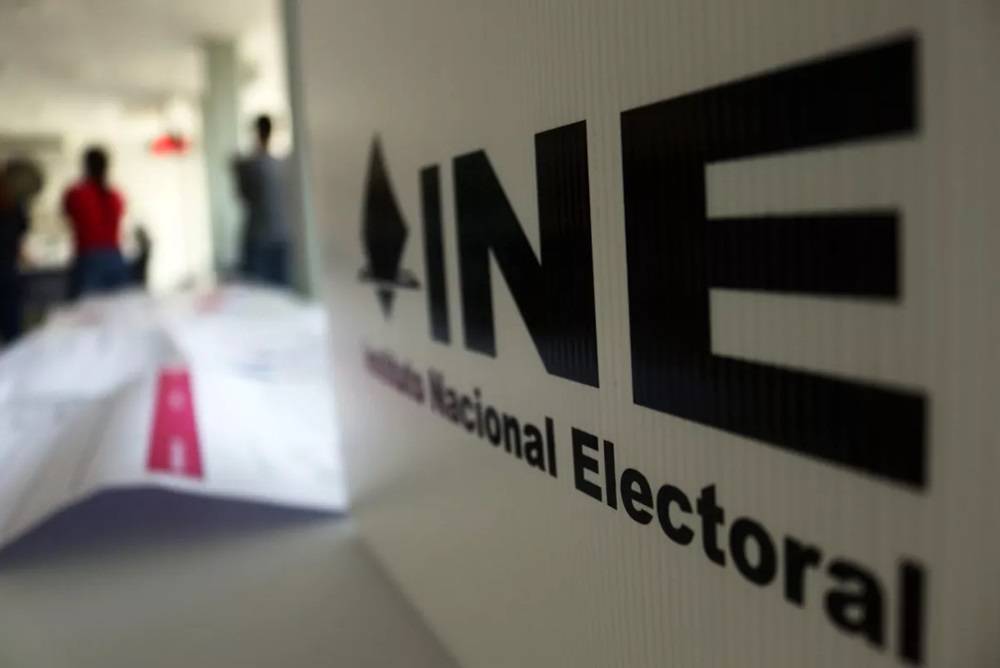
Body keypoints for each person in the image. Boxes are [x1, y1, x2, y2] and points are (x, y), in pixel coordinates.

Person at [63, 147, 128, 298]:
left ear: (85, 166)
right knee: (118, 305)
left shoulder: (76, 194)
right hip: (115, 256)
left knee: (87, 307)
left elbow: (67, 216)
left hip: (89, 258)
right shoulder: (115, 195)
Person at [234, 115, 289, 287]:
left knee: (257, 291)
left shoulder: (249, 165)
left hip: (260, 237)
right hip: (278, 234)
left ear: (257, 133)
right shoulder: (280, 164)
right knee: (277, 291)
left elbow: (243, 196)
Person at [0, 159, 43, 345]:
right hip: (7, 273)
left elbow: (16, 240)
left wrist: (24, 255)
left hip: (8, 273)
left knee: (13, 331)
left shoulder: (18, 211)